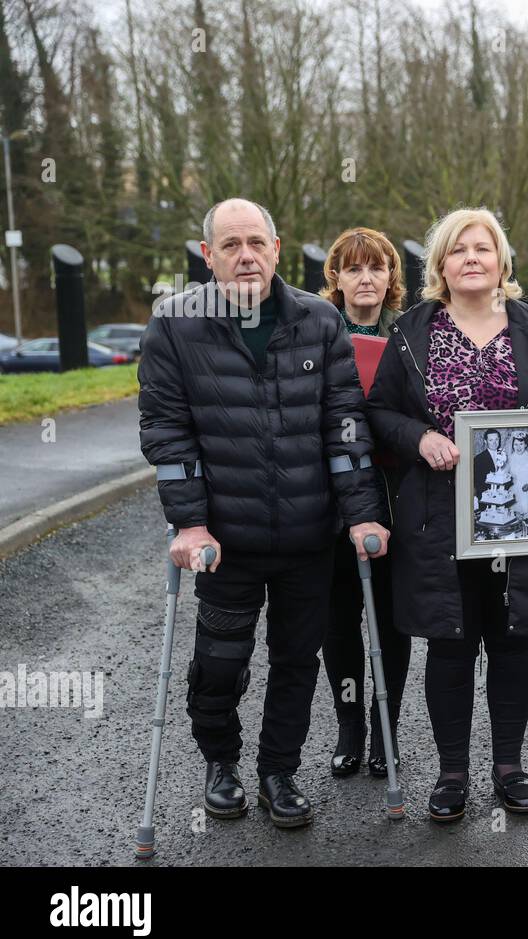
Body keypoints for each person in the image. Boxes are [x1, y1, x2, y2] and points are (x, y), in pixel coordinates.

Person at [138, 198, 389, 828]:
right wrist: (190, 523)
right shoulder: (174, 325)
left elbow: (345, 426)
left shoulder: (318, 319)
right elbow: (167, 433)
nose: (245, 255)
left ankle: (279, 771)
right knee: (220, 665)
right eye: (230, 245)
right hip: (226, 543)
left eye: (256, 242)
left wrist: (362, 514)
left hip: (308, 537)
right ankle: (220, 763)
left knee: (295, 663)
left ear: (277, 249)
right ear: (208, 256)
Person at [366, 208, 528, 822]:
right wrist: (419, 438)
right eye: (458, 249)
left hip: (519, 515)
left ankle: (509, 767)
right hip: (437, 521)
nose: (472, 258)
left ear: (501, 262)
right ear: (440, 265)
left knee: (513, 639)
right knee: (450, 643)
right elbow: (379, 411)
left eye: (483, 248)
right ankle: (451, 773)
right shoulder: (411, 333)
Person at [317, 226, 411, 779]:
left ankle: (385, 731)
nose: (366, 277)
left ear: (391, 277)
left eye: (375, 267)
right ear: (337, 278)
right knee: (339, 623)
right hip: (331, 501)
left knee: (392, 623)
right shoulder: (316, 332)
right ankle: (349, 727)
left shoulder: (409, 335)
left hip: (397, 499)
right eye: (353, 268)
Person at [473, 429, 507, 501]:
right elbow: (478, 482)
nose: (494, 443)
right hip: (487, 498)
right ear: (485, 441)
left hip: (502, 497)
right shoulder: (478, 459)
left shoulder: (504, 455)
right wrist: (490, 496)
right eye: (491, 440)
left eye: (496, 439)